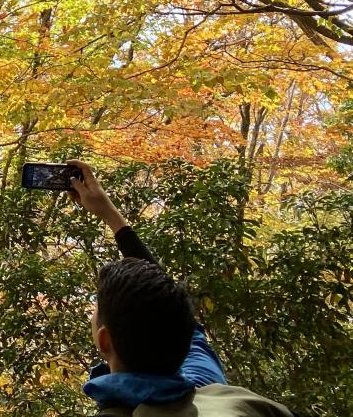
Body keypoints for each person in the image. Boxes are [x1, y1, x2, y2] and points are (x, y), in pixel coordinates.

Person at [65, 161, 294, 416]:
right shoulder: (216, 391)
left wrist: (109, 215)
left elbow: (170, 307)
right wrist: (110, 214)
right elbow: (166, 305)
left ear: (104, 339)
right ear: (182, 336)